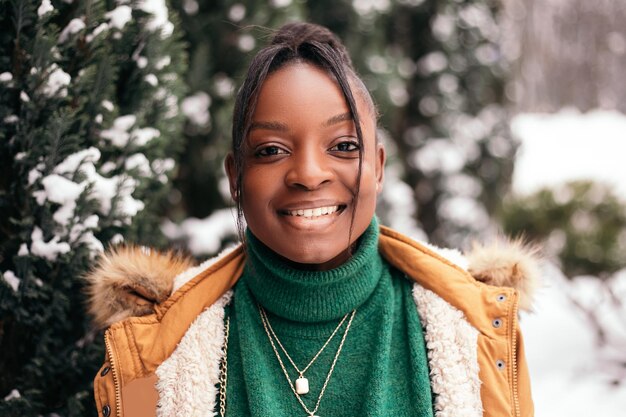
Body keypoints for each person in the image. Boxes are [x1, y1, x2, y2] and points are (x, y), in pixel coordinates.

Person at [87, 22, 538, 417]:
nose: (307, 175)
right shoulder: (156, 347)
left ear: (378, 168)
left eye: (343, 146)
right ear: (236, 178)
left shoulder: (477, 328)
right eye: (271, 151)